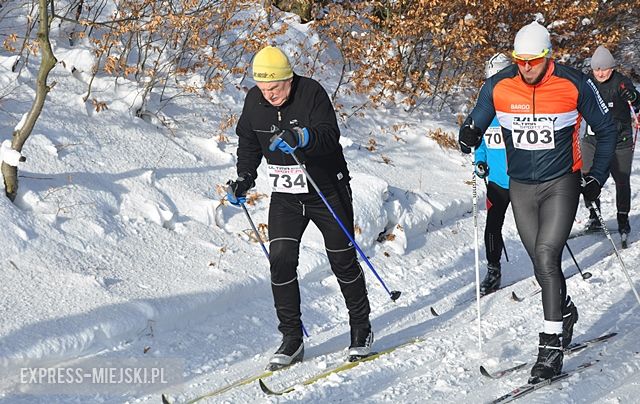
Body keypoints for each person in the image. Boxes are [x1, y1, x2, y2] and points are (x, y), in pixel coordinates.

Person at [458, 22, 617, 382]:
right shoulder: (499, 86)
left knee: (547, 255)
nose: (526, 67)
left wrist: (596, 178)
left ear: (548, 57)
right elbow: (475, 124)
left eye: (533, 60)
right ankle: (565, 310)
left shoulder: (573, 83)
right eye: (520, 60)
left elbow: (607, 131)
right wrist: (467, 134)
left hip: (561, 183)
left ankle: (550, 347)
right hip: (521, 187)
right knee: (539, 262)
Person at [226, 46, 373, 370]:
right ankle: (292, 339)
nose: (270, 95)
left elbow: (329, 136)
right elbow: (249, 143)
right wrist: (244, 178)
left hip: (326, 190)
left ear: (289, 79)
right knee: (280, 262)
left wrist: (301, 136)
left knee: (342, 261)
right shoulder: (254, 102)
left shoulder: (311, 93)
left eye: (275, 88)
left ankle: (361, 328)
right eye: (264, 89)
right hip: (286, 197)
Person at [580, 45, 640, 238]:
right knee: (588, 178)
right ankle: (594, 216)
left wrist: (633, 97)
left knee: (621, 180)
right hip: (593, 140)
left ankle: (623, 219)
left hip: (619, 140)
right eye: (597, 69)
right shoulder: (588, 83)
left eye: (604, 68)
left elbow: (636, 103)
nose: (600, 72)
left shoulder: (621, 82)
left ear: (612, 68)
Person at [475, 53, 512, 296]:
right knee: (492, 227)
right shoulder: (485, 109)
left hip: (522, 181)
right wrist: (480, 161)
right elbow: (480, 141)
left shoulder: (517, 107)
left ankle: (545, 267)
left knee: (531, 226)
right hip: (497, 181)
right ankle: (493, 269)